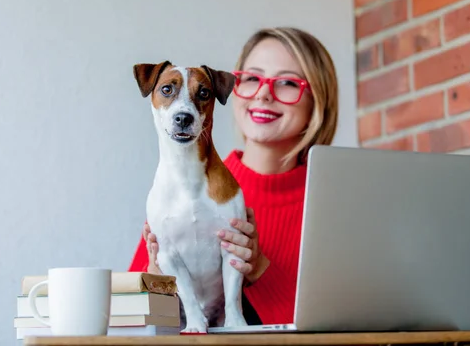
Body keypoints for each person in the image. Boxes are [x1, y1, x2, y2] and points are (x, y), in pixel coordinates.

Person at [128, 26, 339, 326]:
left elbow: (343, 332)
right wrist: (159, 283)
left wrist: (260, 270)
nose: (264, 94)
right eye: (252, 78)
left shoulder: (334, 205)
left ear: (318, 98)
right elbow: (127, 324)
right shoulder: (175, 193)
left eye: (287, 83)